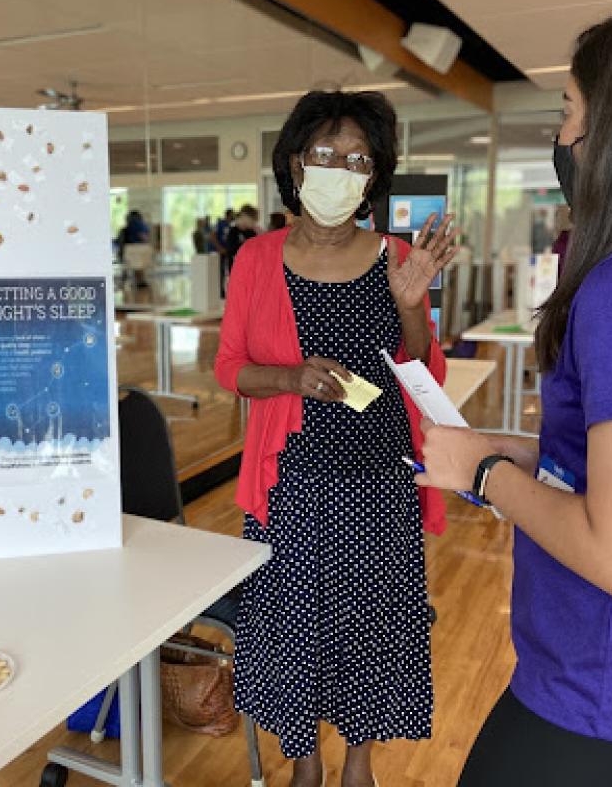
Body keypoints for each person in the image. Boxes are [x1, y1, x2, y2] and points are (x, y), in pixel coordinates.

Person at [415, 8, 612, 786]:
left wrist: (486, 478)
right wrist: (516, 451)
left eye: (569, 113)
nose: (563, 138)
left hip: (601, 696)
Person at [215, 90, 458, 787]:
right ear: (294, 162)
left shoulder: (398, 258)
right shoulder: (257, 259)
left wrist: (412, 309)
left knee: (370, 625)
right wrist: (288, 375)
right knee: (291, 625)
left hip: (378, 477)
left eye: (357, 158)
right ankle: (305, 762)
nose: (339, 168)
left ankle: (359, 761)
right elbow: (229, 368)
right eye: (324, 153)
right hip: (288, 479)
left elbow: (421, 374)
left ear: (374, 176)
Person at [221, 204, 258, 296]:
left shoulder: (252, 233)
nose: (254, 223)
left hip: (250, 272)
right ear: (244, 216)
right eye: (253, 220)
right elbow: (231, 250)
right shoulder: (233, 231)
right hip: (235, 272)